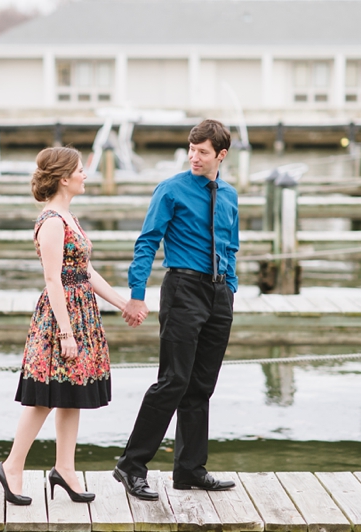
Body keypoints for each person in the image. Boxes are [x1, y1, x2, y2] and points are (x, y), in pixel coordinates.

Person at [0, 146, 141, 506]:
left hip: (80, 312)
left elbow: (85, 272)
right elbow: (53, 279)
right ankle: (11, 467)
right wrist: (66, 333)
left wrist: (124, 304)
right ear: (63, 178)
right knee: (44, 397)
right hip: (61, 317)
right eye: (80, 170)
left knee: (71, 395)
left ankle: (65, 469)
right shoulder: (53, 222)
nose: (85, 175)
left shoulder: (68, 217)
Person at [113, 119, 240, 500]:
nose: (194, 157)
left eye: (202, 151)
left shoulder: (230, 195)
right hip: (183, 289)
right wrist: (137, 295)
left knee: (201, 386)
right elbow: (147, 242)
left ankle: (189, 470)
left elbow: (231, 246)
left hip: (218, 296)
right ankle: (131, 465)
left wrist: (230, 289)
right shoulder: (170, 190)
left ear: (221, 155)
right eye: (191, 149)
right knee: (173, 381)